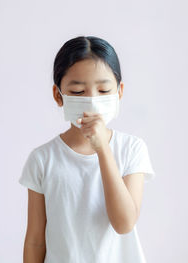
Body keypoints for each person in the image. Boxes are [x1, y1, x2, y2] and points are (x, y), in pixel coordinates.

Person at [19, 35, 156, 263]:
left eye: (103, 91)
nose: (92, 101)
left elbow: (124, 223)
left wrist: (102, 149)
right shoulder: (43, 159)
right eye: (78, 92)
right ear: (58, 95)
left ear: (119, 92)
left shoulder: (131, 149)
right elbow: (35, 239)